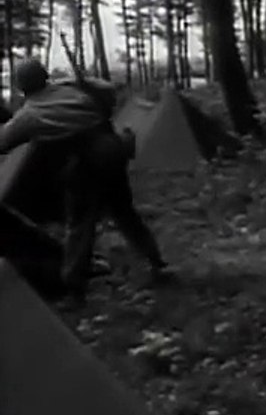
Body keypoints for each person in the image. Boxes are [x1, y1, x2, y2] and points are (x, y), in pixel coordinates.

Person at [0, 58, 173, 308]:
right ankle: (155, 262)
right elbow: (107, 91)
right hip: (113, 154)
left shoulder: (30, 115)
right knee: (125, 213)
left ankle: (74, 290)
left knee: (79, 226)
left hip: (85, 166)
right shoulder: (75, 91)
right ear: (46, 77)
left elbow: (3, 142)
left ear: (21, 87)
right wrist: (77, 80)